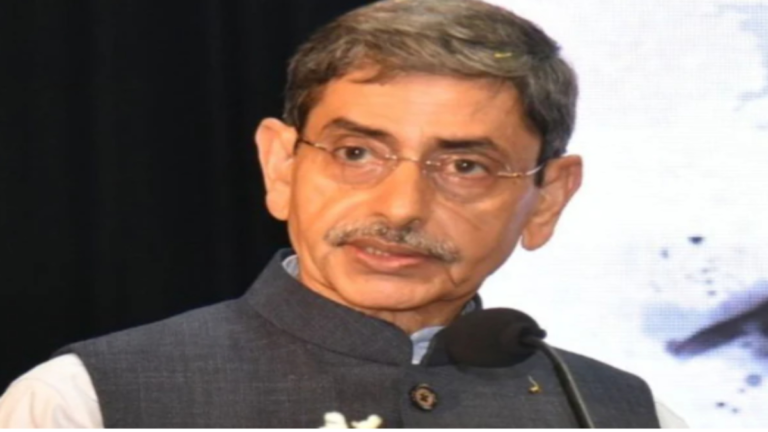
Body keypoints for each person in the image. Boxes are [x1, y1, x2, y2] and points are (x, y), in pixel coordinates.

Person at [0, 0, 687, 427]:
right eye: (357, 153)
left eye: (465, 166)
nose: (401, 207)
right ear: (281, 165)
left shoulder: (619, 414)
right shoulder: (84, 404)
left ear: (547, 198)